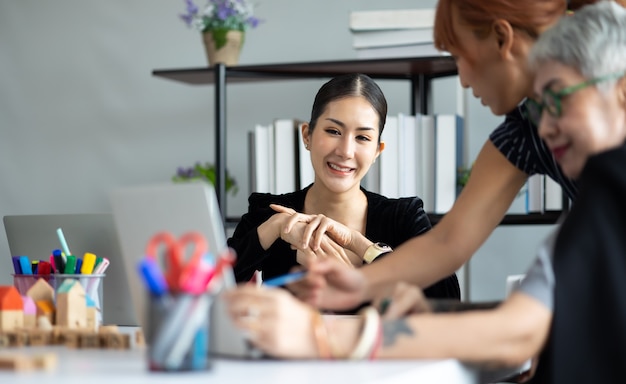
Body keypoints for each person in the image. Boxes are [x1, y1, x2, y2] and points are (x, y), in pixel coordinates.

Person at [224, 4, 626, 380]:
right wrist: (371, 289)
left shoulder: (605, 184)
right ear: (306, 137)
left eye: (554, 98)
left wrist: (324, 336)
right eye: (539, 107)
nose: (547, 127)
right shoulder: (565, 177)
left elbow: (519, 330)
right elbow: (510, 296)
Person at [285, 0, 625, 312]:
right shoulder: (522, 132)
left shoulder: (605, 91)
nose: (461, 78)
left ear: (501, 38)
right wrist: (357, 284)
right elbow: (448, 241)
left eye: (460, 56)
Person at [227, 73, 460, 300]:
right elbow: (210, 291)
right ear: (307, 135)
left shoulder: (403, 218)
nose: (345, 151)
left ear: (377, 151)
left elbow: (447, 299)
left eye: (363, 138)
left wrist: (359, 244)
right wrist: (276, 228)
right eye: (333, 131)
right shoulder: (270, 213)